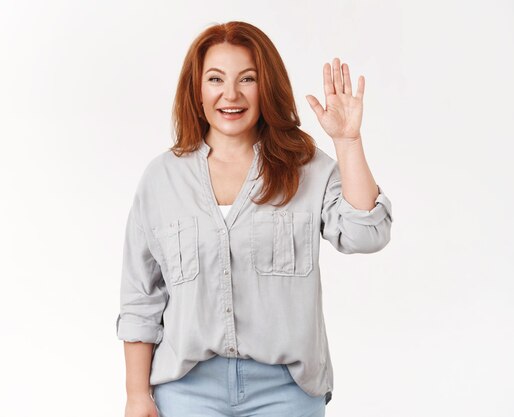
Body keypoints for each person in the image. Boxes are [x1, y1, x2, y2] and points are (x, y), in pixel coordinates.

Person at [116, 20, 393, 417]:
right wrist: (136, 394)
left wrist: (348, 142)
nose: (231, 95)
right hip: (186, 389)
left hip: (287, 391)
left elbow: (367, 235)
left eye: (247, 79)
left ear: (267, 87)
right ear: (196, 90)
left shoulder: (305, 168)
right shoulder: (162, 179)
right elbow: (141, 296)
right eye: (215, 79)